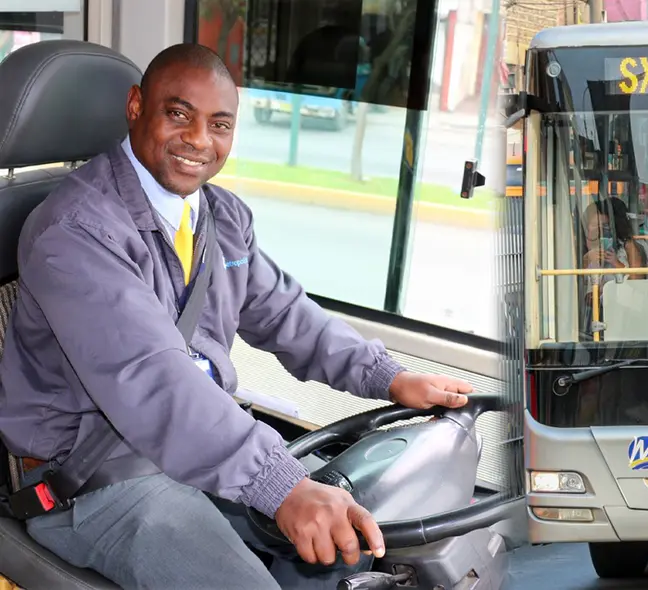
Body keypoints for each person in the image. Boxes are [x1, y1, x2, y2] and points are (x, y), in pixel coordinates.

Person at [0, 44, 473, 589]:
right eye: (178, 114)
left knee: (349, 550)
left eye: (219, 124)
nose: (199, 140)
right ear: (136, 106)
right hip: (98, 480)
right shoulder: (75, 232)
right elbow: (155, 379)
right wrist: (281, 485)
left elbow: (286, 314)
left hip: (192, 449)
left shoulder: (220, 216)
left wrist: (387, 376)